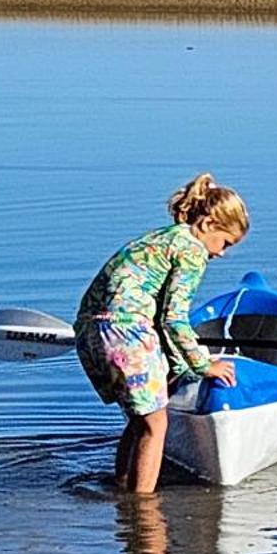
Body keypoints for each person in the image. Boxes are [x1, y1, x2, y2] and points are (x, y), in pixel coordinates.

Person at [74, 174, 245, 494]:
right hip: (128, 332)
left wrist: (175, 364)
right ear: (208, 224)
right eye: (225, 243)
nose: (221, 253)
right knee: (156, 426)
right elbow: (174, 319)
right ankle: (142, 511)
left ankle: (122, 485)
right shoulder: (193, 250)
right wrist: (203, 365)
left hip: (92, 331)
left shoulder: (161, 238)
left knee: (140, 420)